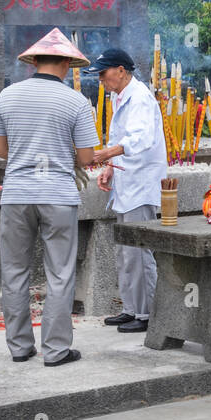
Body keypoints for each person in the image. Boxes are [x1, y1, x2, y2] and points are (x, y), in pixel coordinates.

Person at [0, 42, 99, 367]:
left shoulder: (6, 96)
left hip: (16, 195)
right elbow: (86, 157)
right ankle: (55, 350)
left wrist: (25, 155)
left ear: (34, 61)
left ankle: (20, 348)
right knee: (60, 274)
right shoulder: (77, 101)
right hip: (58, 195)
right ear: (67, 64)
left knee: (14, 271)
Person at [89, 49, 167, 334]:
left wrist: (105, 153)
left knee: (139, 250)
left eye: (103, 73)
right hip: (126, 179)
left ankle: (147, 314)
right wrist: (109, 165)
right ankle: (131, 308)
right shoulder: (119, 96)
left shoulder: (141, 97)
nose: (101, 79)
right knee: (125, 250)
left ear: (120, 70)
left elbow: (140, 138)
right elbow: (120, 136)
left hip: (141, 182)